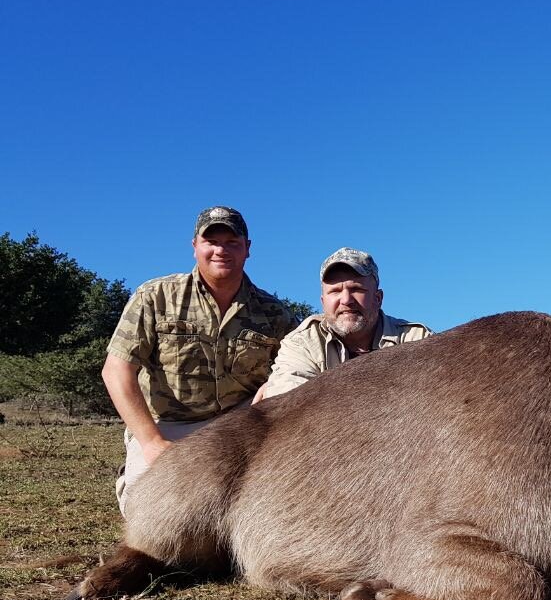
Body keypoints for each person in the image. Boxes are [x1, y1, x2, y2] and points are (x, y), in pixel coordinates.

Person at [103, 206, 296, 513]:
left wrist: (272, 390)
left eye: (233, 242)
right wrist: (152, 444)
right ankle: (135, 475)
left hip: (241, 427)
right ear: (195, 246)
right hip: (169, 427)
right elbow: (116, 371)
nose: (221, 250)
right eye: (212, 241)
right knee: (155, 516)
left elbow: (297, 367)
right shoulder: (155, 296)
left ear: (248, 249)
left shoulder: (275, 313)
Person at [255, 248, 431, 400]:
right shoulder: (301, 344)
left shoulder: (417, 339)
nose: (346, 300)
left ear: (378, 299)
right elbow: (291, 409)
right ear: (323, 302)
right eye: (335, 291)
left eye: (357, 289)